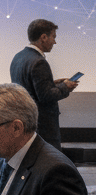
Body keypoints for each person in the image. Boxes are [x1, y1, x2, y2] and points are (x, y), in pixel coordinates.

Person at [9, 19, 79, 149]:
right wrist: (66, 87)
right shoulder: (39, 62)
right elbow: (46, 96)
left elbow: (29, 86)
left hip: (26, 121)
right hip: (43, 126)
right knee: (49, 159)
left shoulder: (18, 57)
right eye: (53, 37)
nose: (55, 42)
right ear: (44, 37)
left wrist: (52, 83)